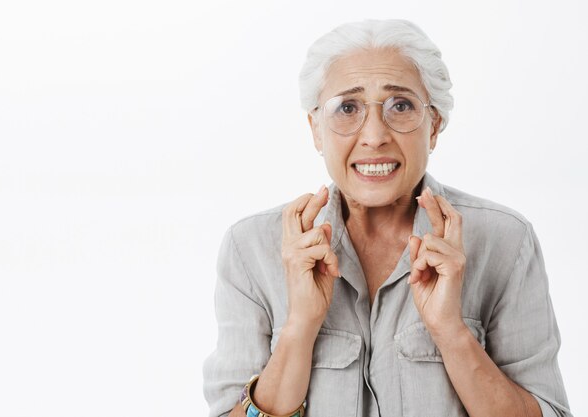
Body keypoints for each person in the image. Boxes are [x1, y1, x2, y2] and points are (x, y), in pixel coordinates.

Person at [203, 19, 572, 417]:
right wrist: (300, 328)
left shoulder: (505, 241)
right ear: (315, 130)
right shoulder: (251, 248)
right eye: (347, 107)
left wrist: (451, 333)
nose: (375, 135)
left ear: (433, 126)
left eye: (401, 105)